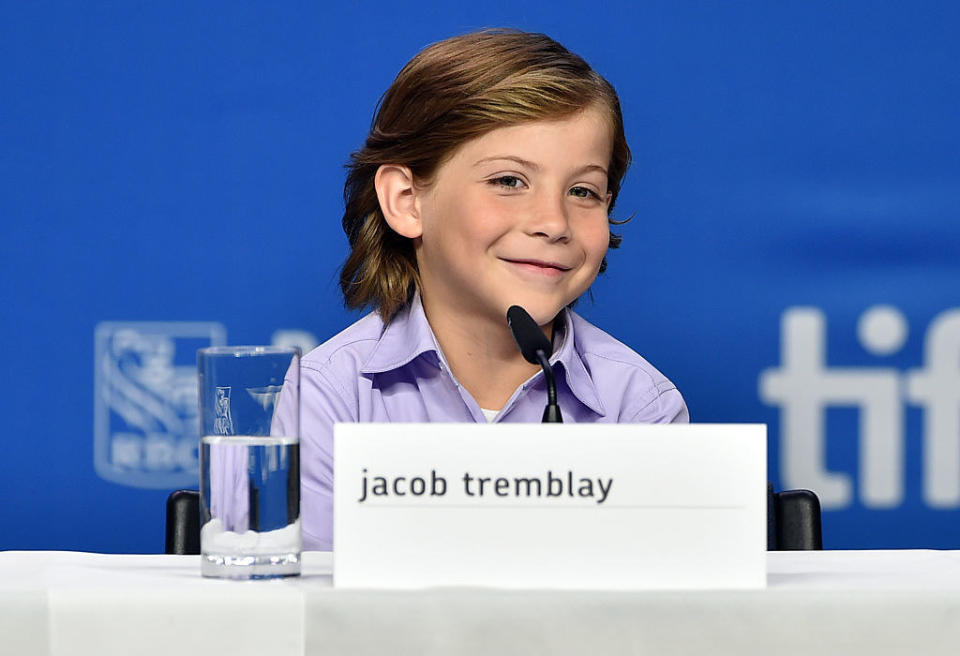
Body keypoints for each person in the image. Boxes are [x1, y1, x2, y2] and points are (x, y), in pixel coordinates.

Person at [300, 29, 689, 550]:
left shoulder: (639, 406)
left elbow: (655, 622)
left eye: (583, 191)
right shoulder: (327, 398)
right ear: (408, 200)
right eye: (509, 181)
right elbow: (299, 617)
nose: (554, 222)